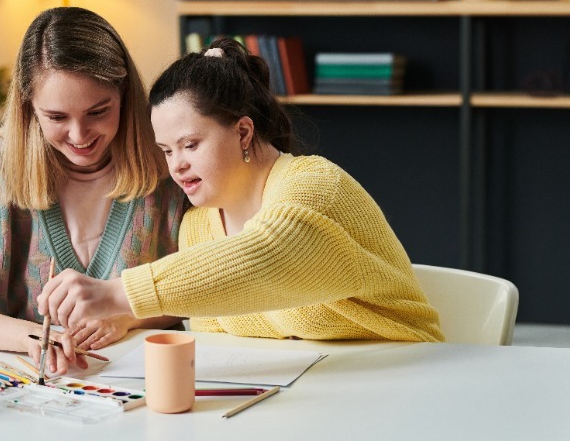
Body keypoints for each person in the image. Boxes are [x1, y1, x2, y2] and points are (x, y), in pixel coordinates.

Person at [38, 36, 443, 343]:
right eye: (166, 150)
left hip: (411, 379)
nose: (176, 164)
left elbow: (268, 256)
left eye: (190, 145)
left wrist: (119, 294)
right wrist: (125, 319)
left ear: (243, 131)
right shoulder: (197, 228)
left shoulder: (314, 185)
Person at [0, 7, 187, 374]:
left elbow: (204, 288)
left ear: (125, 94)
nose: (80, 136)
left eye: (98, 111)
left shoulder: (170, 167)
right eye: (57, 117)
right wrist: (31, 337)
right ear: (29, 108)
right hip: (23, 388)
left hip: (143, 381)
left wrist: (128, 318)